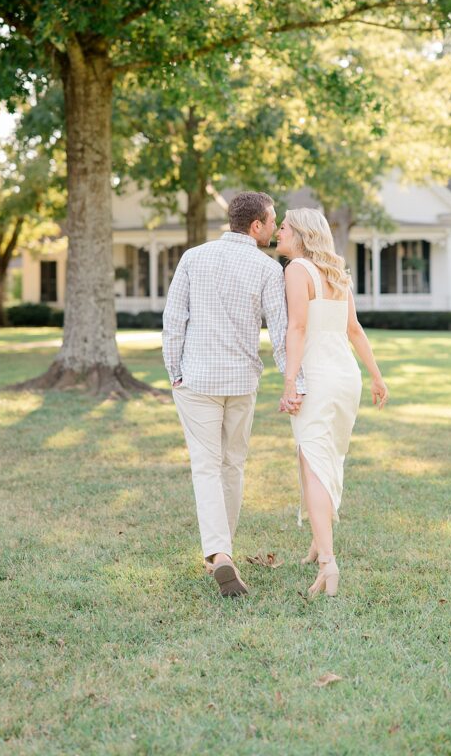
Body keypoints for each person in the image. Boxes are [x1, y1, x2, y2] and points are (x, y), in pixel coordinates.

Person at [162, 191, 303, 598]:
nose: (277, 228)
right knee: (233, 465)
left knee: (206, 466)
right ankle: (224, 551)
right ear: (256, 226)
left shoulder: (193, 258)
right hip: (241, 381)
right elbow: (280, 335)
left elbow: (174, 321)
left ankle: (219, 553)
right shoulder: (267, 269)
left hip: (197, 380)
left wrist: (175, 370)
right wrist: (294, 381)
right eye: (273, 221)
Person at [276, 208, 388, 597]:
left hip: (319, 380)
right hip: (346, 378)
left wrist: (290, 381)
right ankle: (317, 542)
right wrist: (376, 375)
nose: (278, 231)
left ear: (301, 234)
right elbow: (354, 330)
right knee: (325, 459)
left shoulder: (296, 271)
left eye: (285, 227)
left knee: (315, 465)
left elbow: (298, 327)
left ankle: (328, 562)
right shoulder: (338, 274)